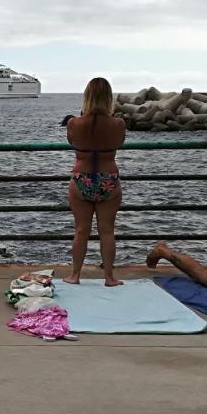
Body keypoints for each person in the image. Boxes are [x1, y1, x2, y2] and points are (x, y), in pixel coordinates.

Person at [62, 77, 126, 286]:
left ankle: (75, 276)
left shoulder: (74, 123)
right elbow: (119, 142)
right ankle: (109, 277)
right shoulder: (118, 124)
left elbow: (72, 141)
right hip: (108, 179)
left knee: (81, 230)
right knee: (107, 231)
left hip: (82, 178)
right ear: (109, 98)